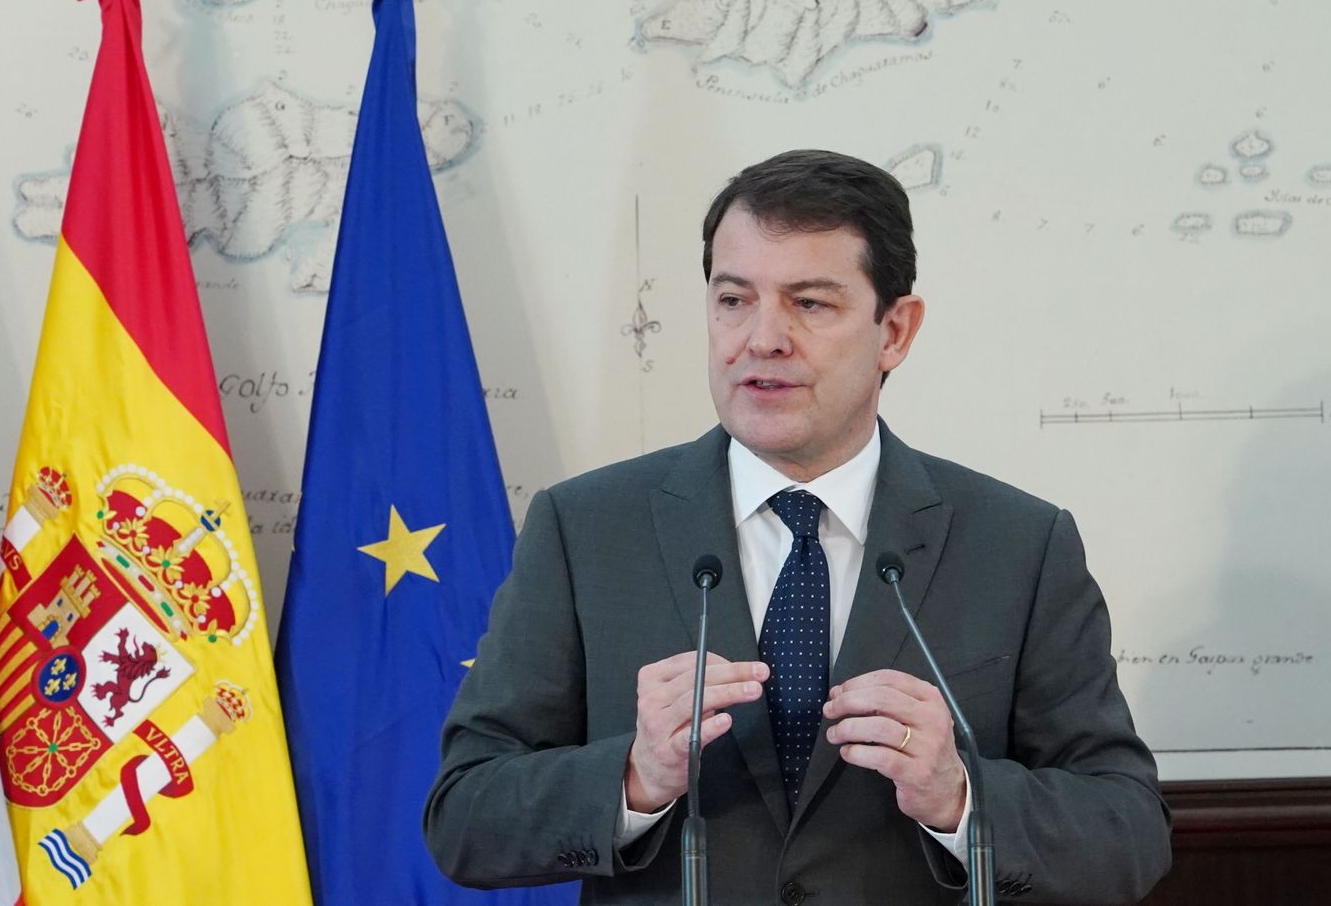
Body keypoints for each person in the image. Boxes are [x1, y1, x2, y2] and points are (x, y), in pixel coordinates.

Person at [423, 150, 1171, 905]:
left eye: (809, 303)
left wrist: (960, 797)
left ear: (896, 331)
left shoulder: (1019, 545)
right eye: (733, 299)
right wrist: (634, 774)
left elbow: (1129, 832)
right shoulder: (585, 530)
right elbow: (463, 816)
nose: (762, 338)